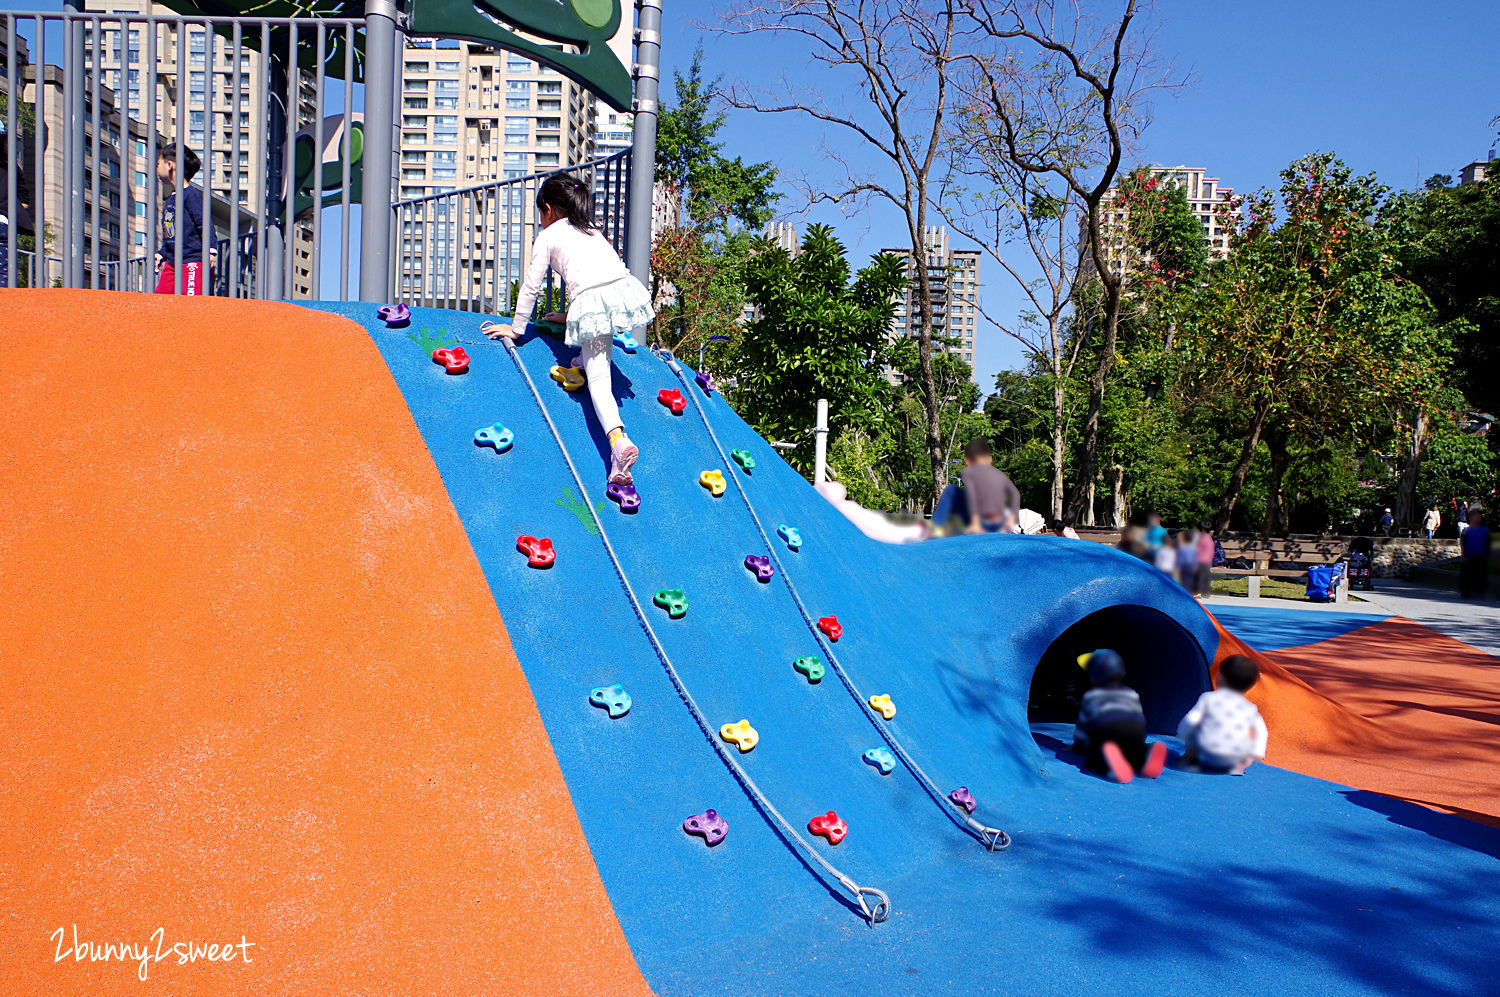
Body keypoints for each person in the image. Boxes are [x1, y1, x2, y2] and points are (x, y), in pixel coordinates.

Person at [485, 172, 654, 484]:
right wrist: (568, 317)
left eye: (540, 214)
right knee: (596, 358)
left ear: (547, 210)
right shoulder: (590, 230)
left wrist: (516, 328)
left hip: (592, 300)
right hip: (616, 290)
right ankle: (585, 363)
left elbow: (532, 286)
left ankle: (618, 442)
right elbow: (597, 281)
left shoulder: (548, 236)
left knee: (599, 378)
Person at [1072, 649, 1168, 784]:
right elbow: (1139, 718)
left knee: (1093, 759)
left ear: (1093, 676)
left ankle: (1108, 763)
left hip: (1108, 731)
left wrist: (1078, 745)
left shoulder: (1092, 696)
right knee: (1132, 753)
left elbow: (1083, 725)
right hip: (1135, 732)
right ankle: (1146, 753)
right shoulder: (1131, 693)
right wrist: (1140, 740)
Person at [1178, 654, 1268, 775]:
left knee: (1194, 732)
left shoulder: (1208, 698)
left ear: (1221, 678)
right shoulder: (1250, 708)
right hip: (1233, 757)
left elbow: (1191, 719)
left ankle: (1190, 760)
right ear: (1249, 687)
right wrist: (1258, 752)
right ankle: (1238, 767)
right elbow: (1262, 732)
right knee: (1247, 746)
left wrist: (1182, 733)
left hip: (1206, 753)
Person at [929, 439, 1020, 535]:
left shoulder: (968, 473)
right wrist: (1011, 521)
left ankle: (933, 528)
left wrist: (975, 524)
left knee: (952, 490)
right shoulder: (1000, 475)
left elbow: (972, 496)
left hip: (982, 523)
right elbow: (1015, 494)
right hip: (998, 523)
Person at [154, 144, 209, 295]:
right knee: (159, 300)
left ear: (170, 165)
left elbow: (204, 224)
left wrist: (211, 250)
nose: (157, 168)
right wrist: (163, 253)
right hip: (172, 262)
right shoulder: (171, 199)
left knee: (190, 303)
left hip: (192, 261)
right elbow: (171, 234)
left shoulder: (191, 195)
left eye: (159, 164)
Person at [1459, 508, 1490, 599]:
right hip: (1469, 555)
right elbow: (1463, 542)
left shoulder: (1484, 530)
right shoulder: (1466, 530)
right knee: (1467, 575)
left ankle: (1480, 591)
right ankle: (1466, 592)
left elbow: (1488, 542)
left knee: (1480, 574)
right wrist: (1463, 554)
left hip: (1481, 556)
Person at [1194, 522, 1217, 599]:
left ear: (1202, 530)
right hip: (1207, 561)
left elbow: (1198, 551)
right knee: (1205, 577)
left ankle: (1198, 592)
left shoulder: (1202, 539)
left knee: (1199, 577)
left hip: (1201, 560)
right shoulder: (1209, 538)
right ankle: (1205, 593)